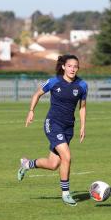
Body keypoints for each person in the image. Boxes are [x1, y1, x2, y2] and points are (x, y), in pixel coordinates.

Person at [17, 54, 87, 206]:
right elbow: (37, 94)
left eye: (75, 66)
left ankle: (27, 164)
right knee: (67, 157)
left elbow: (82, 107)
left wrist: (83, 126)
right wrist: (31, 111)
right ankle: (66, 194)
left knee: (53, 164)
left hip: (69, 127)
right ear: (63, 67)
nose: (72, 69)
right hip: (53, 124)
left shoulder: (82, 85)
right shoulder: (54, 81)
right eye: (69, 66)